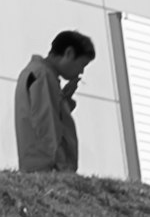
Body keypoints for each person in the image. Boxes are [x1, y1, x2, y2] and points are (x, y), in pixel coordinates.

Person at [16, 30, 95, 171]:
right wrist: (60, 166)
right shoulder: (43, 75)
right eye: (82, 65)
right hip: (47, 167)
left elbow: (45, 113)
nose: (81, 72)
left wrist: (64, 99)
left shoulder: (36, 72)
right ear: (69, 53)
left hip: (37, 163)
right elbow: (46, 123)